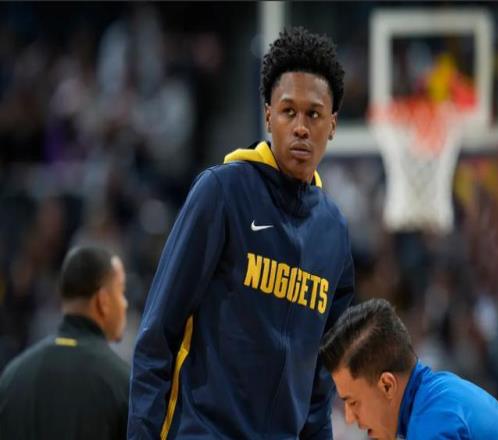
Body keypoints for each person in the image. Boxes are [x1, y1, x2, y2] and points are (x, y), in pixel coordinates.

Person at [128, 26, 354, 440]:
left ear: (333, 125)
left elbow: (319, 382)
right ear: (268, 115)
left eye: (314, 114)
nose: (301, 127)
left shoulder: (334, 232)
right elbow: (157, 334)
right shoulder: (222, 192)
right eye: (288, 111)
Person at [320, 298, 498, 440]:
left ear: (387, 385)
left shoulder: (432, 424)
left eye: (353, 403)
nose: (349, 417)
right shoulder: (437, 394)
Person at [0, 245, 130, 440]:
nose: (125, 303)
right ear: (103, 301)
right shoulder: (121, 382)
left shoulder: (12, 376)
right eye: (121, 291)